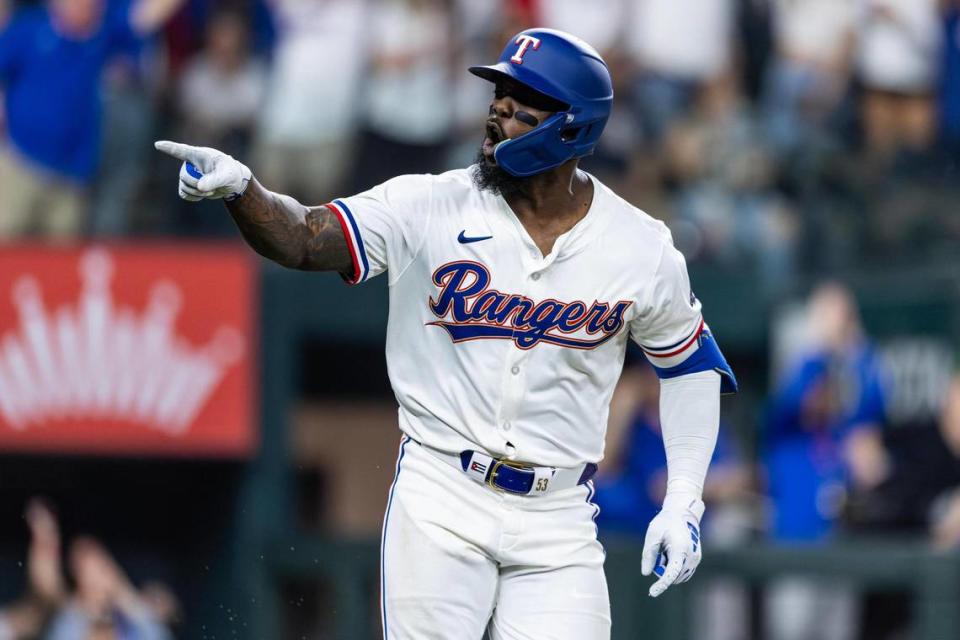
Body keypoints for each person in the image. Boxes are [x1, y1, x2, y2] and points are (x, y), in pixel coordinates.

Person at [156, 28, 737, 639]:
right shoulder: (429, 205)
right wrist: (244, 192)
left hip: (559, 515)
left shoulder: (639, 247)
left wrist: (683, 502)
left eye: (521, 105)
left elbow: (690, 366)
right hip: (443, 495)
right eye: (498, 97)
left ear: (572, 127)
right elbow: (305, 237)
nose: (498, 114)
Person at [0, 0, 185, 240]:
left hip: (71, 177)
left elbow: (146, 16)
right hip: (20, 164)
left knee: (61, 267)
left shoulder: (102, 35)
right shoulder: (30, 30)